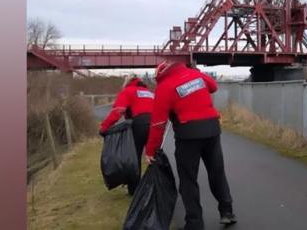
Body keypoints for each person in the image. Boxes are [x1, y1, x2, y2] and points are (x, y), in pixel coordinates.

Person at [145, 61, 236, 230]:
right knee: (217, 172)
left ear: (159, 74)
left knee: (188, 181)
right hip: (211, 129)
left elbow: (158, 123)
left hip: (188, 135)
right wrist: (197, 77)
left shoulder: (164, 87)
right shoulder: (196, 75)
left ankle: (195, 223)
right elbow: (213, 86)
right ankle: (227, 211)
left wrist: (151, 150)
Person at [99, 75, 154, 195]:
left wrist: (104, 127)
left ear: (127, 82)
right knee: (154, 157)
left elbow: (118, 111)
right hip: (155, 124)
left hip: (138, 124)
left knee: (134, 156)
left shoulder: (127, 91)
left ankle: (135, 189)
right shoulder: (149, 93)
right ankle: (157, 186)